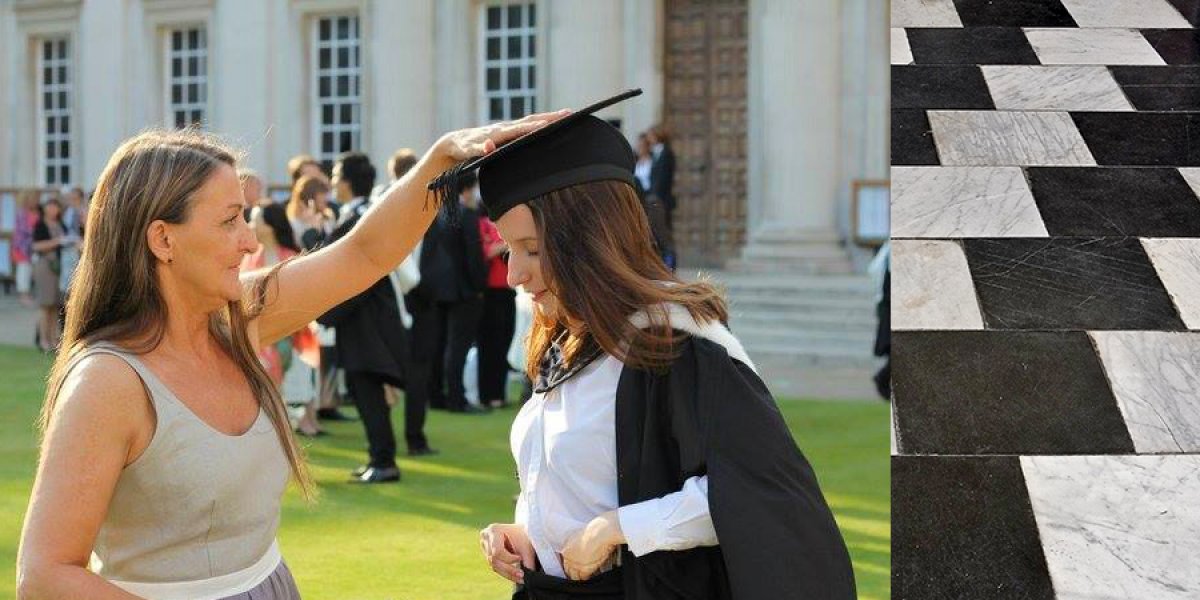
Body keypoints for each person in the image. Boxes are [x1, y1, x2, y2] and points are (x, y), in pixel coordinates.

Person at [17, 112, 564, 597]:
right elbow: (45, 576)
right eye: (230, 220)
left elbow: (365, 253)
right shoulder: (107, 381)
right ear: (162, 240)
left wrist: (441, 158)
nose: (250, 242)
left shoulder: (237, 320)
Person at [458, 90, 856, 599]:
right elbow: (578, 478)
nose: (514, 273)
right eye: (508, 248)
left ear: (589, 240)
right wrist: (528, 532)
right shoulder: (563, 337)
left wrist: (618, 528)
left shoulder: (675, 342)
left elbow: (756, 492)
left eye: (532, 250)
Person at [315, 151, 434, 483]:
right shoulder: (356, 214)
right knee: (363, 388)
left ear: (349, 181)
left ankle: (384, 461)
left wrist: (327, 314)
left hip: (367, 318)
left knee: (367, 388)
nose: (333, 182)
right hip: (363, 317)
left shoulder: (362, 216)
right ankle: (378, 457)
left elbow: (361, 276)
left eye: (337, 175)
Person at [407, 171, 489, 415]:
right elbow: (473, 256)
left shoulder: (434, 214)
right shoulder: (467, 214)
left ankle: (436, 395)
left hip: (435, 289)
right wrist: (479, 286)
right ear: (467, 188)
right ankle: (456, 397)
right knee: (457, 347)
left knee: (439, 344)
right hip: (463, 289)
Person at [475, 195, 515, 408]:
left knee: (504, 344)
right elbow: (485, 252)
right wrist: (503, 244)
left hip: (507, 290)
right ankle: (487, 395)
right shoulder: (481, 224)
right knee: (488, 345)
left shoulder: (507, 225)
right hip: (490, 292)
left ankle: (498, 393)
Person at [31, 197, 72, 353]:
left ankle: (54, 339)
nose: (53, 209)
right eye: (50, 206)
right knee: (45, 304)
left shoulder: (62, 225)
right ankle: (43, 340)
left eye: (56, 206)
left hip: (60, 268)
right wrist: (57, 241)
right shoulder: (40, 225)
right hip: (45, 266)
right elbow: (36, 246)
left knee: (56, 305)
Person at [647, 124, 676, 235]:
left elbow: (664, 177)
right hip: (653, 198)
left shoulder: (667, 153)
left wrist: (655, 196)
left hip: (661, 199)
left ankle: (669, 252)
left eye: (650, 135)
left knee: (664, 228)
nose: (648, 138)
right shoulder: (654, 153)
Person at [13, 190, 40, 307]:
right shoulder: (21, 213)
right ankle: (23, 295)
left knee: (30, 271)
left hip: (34, 246)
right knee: (23, 270)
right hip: (23, 247)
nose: (35, 201)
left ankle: (28, 293)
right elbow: (24, 231)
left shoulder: (38, 211)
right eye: (33, 199)